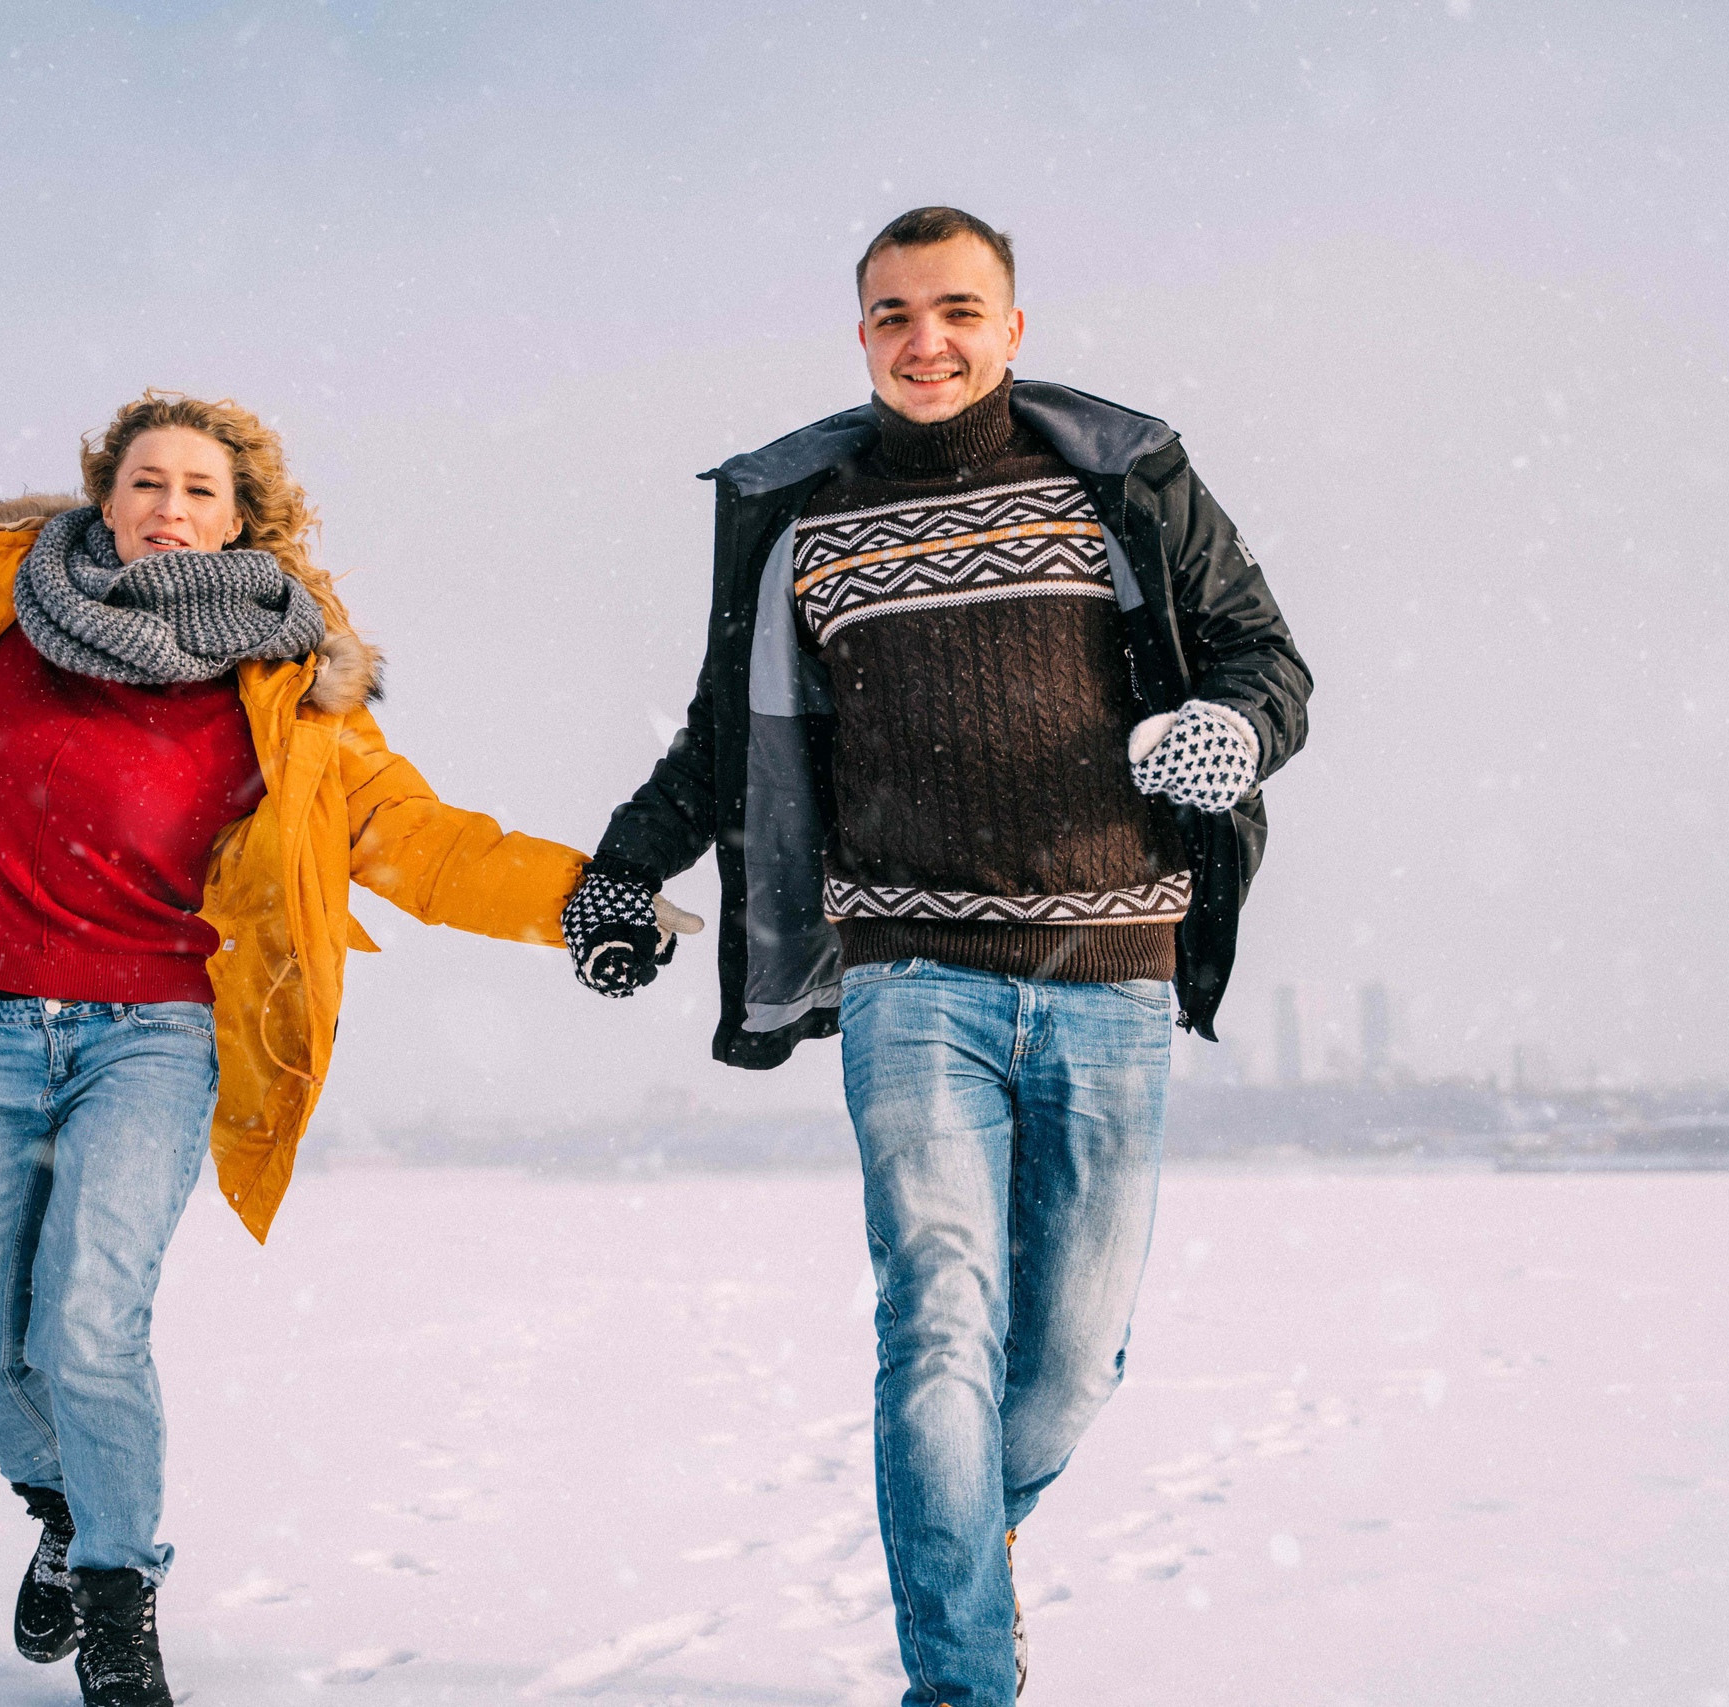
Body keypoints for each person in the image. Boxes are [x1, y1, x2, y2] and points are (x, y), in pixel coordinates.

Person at [0, 229, 661, 1707]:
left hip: (154, 1039)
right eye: (146, 481)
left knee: (86, 1324)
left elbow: (420, 841)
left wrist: (582, 902)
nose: (169, 507)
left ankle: (119, 1593)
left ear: (244, 516)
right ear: (105, 495)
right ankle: (65, 1510)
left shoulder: (287, 690)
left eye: (200, 487)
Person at [561, 207, 1312, 1707]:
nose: (928, 340)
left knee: (1073, 1362)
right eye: (896, 314)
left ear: (1012, 327)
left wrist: (1233, 731)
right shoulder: (802, 516)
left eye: (959, 309)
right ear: (860, 335)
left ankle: (969, 1536)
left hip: (1114, 968)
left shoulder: (1124, 479)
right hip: (911, 976)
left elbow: (1264, 659)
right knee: (938, 1326)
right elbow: (723, 737)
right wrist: (620, 870)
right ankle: (960, 1680)